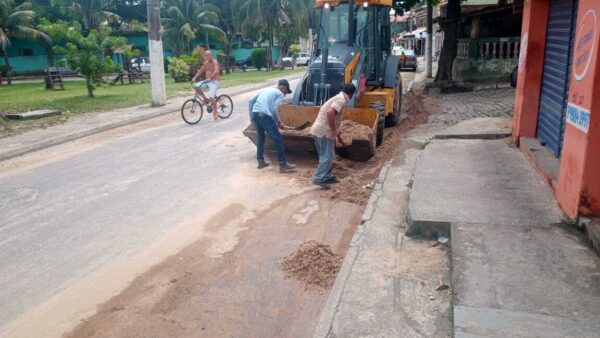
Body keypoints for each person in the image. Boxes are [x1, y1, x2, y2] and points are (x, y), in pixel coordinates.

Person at [310, 83, 356, 189]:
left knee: (325, 155)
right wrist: (334, 130)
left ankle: (327, 175)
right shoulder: (341, 100)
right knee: (328, 157)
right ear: (351, 94)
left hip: (319, 129)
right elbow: (330, 113)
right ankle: (319, 178)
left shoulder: (337, 97)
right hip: (324, 131)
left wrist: (336, 132)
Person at [248, 79, 297, 172]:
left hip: (256, 113)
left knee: (260, 137)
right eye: (286, 92)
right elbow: (274, 109)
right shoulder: (279, 94)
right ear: (283, 88)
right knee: (277, 138)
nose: (285, 95)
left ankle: (260, 161)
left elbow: (251, 101)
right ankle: (283, 164)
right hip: (264, 115)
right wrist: (279, 122)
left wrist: (251, 118)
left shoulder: (266, 90)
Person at [191, 50, 221, 120]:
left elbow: (216, 71)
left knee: (211, 98)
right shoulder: (206, 63)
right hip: (207, 81)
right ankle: (205, 99)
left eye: (208, 55)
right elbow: (200, 71)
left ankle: (215, 111)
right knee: (196, 86)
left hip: (214, 82)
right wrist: (195, 77)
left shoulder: (215, 62)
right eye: (206, 55)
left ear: (211, 55)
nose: (207, 56)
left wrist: (210, 77)